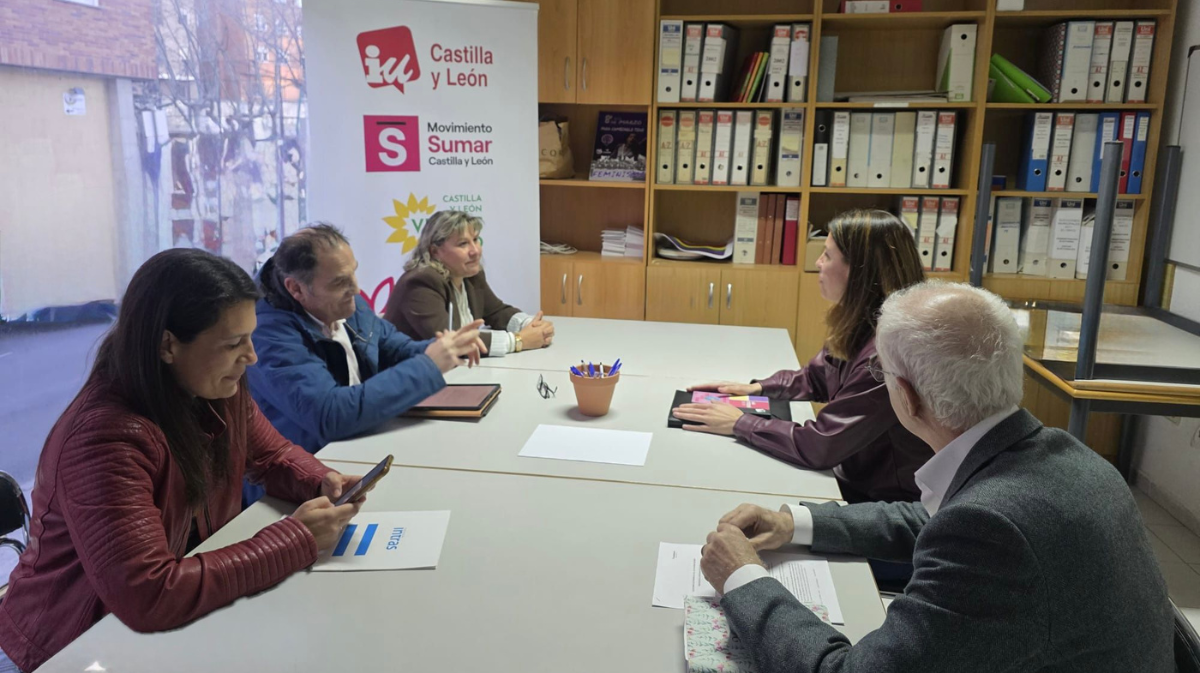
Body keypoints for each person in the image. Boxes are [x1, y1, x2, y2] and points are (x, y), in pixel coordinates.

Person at [699, 281, 1174, 673]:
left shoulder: (992, 531)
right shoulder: (1064, 458)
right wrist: (797, 524)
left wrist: (743, 578)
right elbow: (934, 519)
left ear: (904, 396)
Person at [0, 250, 371, 673]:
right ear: (167, 345)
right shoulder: (105, 438)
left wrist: (323, 482)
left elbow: (272, 455)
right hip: (67, 649)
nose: (251, 357)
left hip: (150, 631)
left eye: (249, 337)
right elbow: (150, 594)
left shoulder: (214, 386)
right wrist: (296, 539)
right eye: (233, 344)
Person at [673, 210, 932, 503]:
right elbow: (816, 376)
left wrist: (738, 423)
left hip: (883, 502)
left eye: (827, 255)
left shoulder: (887, 354)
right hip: (855, 476)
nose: (818, 263)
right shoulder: (863, 321)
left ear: (860, 271)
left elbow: (820, 445)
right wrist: (758, 388)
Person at [247, 223, 484, 504]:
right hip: (303, 487)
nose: (356, 288)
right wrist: (429, 366)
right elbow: (330, 415)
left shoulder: (347, 302)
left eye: (354, 272)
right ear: (296, 288)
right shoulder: (267, 334)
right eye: (339, 282)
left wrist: (443, 348)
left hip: (357, 451)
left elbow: (395, 349)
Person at [384, 210, 554, 356]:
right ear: (435, 251)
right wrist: (519, 341)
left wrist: (531, 325)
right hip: (410, 379)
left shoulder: (470, 274)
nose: (475, 251)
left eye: (476, 239)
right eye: (463, 244)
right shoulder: (421, 282)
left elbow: (496, 312)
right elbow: (453, 341)